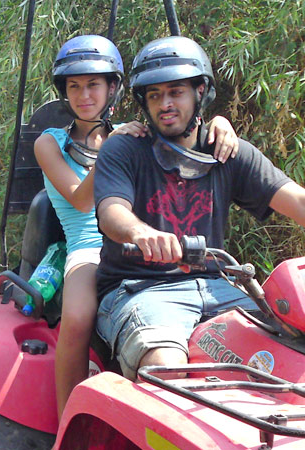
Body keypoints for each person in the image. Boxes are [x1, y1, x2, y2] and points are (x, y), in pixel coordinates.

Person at [34, 35, 239, 418]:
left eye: (94, 85)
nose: (84, 95)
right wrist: (113, 151)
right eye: (74, 87)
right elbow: (81, 199)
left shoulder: (136, 134)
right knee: (78, 318)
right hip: (87, 245)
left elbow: (190, 140)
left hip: (140, 247)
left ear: (113, 88)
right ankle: (66, 421)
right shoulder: (51, 142)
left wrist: (221, 125)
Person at [93, 36, 305, 381]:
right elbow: (112, 212)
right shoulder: (125, 150)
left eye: (175, 92)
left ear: (200, 92)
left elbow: (294, 199)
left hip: (216, 286)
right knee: (167, 370)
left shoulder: (225, 150)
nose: (165, 104)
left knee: (285, 361)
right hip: (139, 289)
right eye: (155, 95)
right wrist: (142, 233)